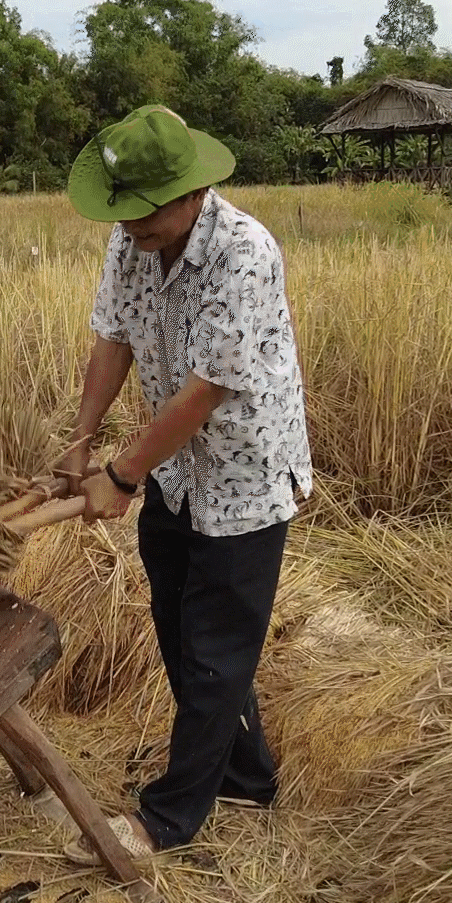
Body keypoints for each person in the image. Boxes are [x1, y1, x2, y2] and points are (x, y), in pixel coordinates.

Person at [55, 106, 312, 862]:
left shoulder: (245, 254)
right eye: (123, 212)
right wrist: (81, 443)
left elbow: (202, 393)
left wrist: (120, 475)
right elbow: (113, 337)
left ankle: (168, 818)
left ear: (192, 191)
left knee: (214, 650)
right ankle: (248, 777)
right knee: (179, 632)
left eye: (146, 213)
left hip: (243, 475)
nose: (132, 227)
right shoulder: (132, 240)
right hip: (176, 472)